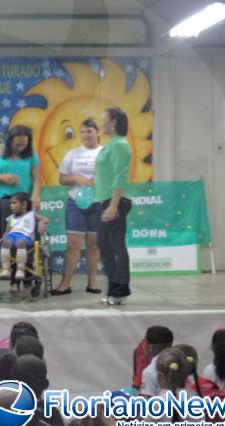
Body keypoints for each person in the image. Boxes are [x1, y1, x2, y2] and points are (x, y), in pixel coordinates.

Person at [53, 118, 103, 296]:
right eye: (82, 132)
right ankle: (65, 284)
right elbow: (62, 179)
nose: (85, 135)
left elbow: (114, 178)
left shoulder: (104, 153)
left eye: (89, 131)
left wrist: (98, 182)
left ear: (98, 132)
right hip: (76, 203)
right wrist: (76, 179)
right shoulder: (72, 154)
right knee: (73, 245)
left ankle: (92, 282)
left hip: (98, 204)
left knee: (94, 244)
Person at [95, 108, 133, 305]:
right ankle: (113, 289)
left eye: (104, 119)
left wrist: (114, 205)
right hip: (105, 200)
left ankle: (120, 291)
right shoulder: (111, 145)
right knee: (104, 245)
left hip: (115, 201)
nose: (101, 122)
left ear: (114, 122)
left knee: (116, 246)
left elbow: (121, 176)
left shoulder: (119, 145)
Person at [0, 192, 48, 281]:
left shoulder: (32, 214)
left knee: (21, 242)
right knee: (5, 242)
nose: (11, 206)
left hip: (26, 236)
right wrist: (4, 237)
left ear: (24, 204)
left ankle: (20, 270)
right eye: (11, 203)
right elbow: (7, 231)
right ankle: (6, 270)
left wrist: (41, 222)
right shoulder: (11, 218)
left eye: (14, 203)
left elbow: (46, 219)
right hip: (12, 235)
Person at [140, 326, 174, 397]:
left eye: (145, 342)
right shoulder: (183, 363)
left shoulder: (149, 372)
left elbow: (148, 401)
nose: (144, 345)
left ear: (151, 347)